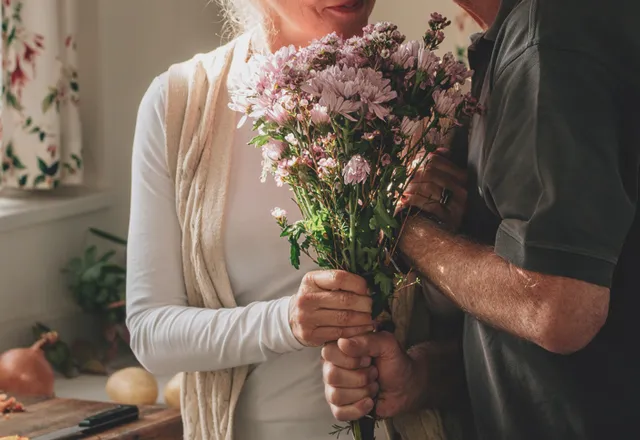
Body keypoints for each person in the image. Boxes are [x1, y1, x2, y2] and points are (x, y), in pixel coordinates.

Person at [125, 1, 458, 439]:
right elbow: (151, 333)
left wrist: (444, 233)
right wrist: (287, 322)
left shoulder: (423, 98)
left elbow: (470, 334)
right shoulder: (180, 105)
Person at [322, 0, 640, 439]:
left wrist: (407, 230)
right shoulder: (514, 39)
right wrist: (421, 378)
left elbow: (558, 310)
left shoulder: (547, 37)